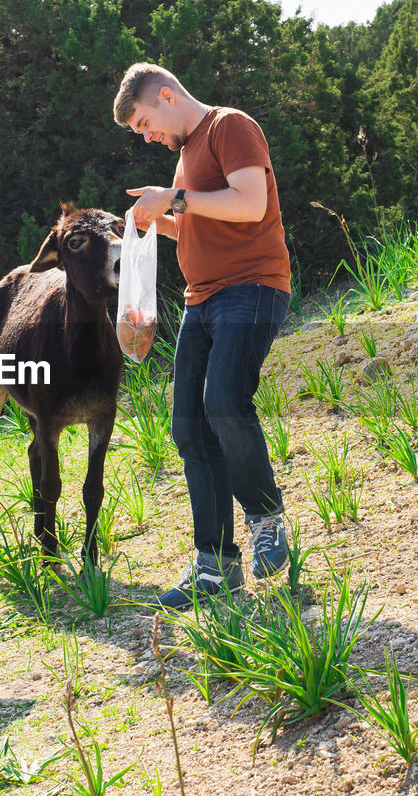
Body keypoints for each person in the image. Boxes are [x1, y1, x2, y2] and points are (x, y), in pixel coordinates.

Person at [113, 62, 292, 609]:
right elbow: (198, 220)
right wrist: (152, 219)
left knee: (224, 404)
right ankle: (216, 566)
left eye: (145, 122)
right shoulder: (187, 156)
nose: (148, 136)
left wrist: (175, 198)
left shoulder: (229, 127)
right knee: (188, 425)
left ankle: (266, 518)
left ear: (167, 95)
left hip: (252, 285)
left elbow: (249, 204)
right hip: (201, 297)